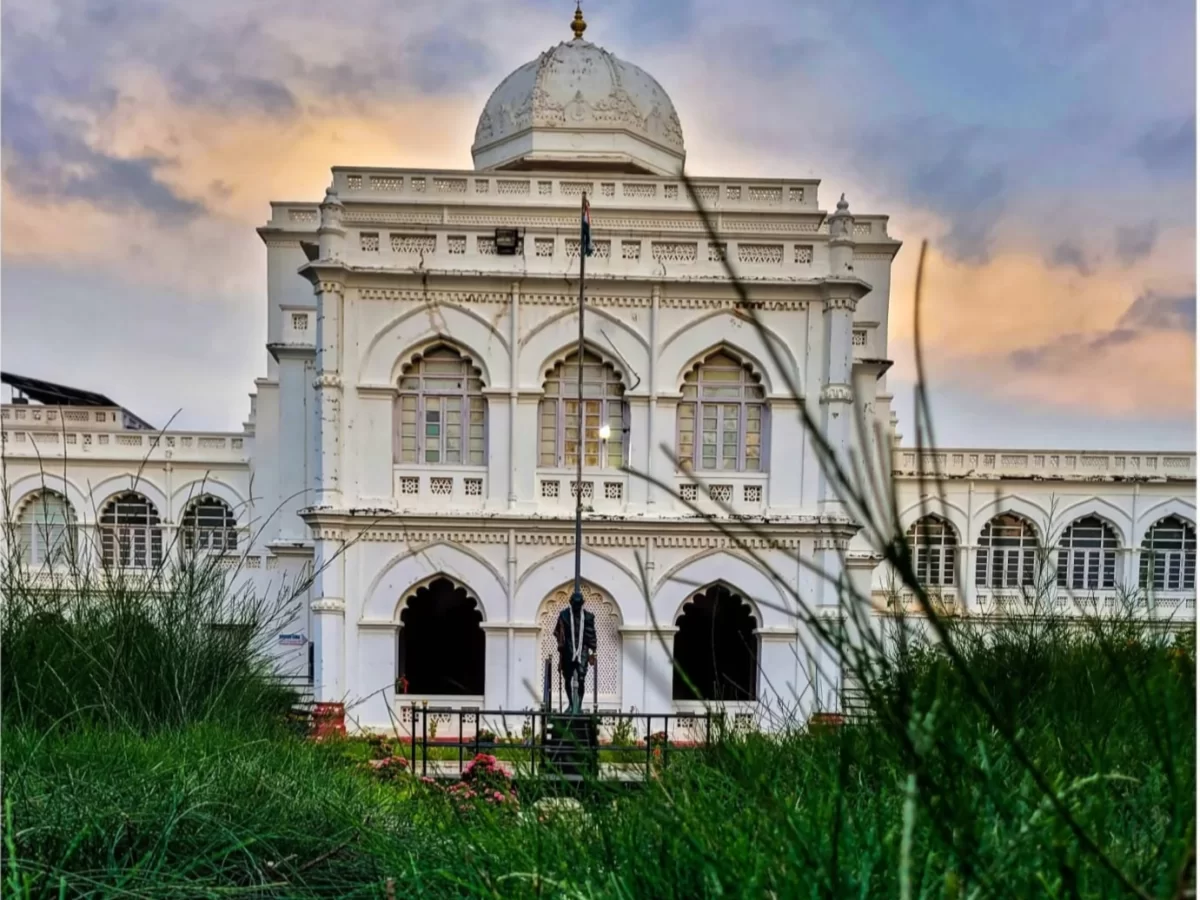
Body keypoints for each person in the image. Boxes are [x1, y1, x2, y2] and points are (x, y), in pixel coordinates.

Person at [554, 589, 597, 715]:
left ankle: (578, 705)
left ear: (582, 604)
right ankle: (571, 705)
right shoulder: (564, 615)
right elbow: (557, 632)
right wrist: (561, 640)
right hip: (568, 650)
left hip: (582, 650)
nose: (577, 607)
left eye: (579, 604)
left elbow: (591, 634)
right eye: (575, 604)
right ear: (571, 603)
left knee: (582, 678)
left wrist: (593, 652)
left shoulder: (588, 616)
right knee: (567, 678)